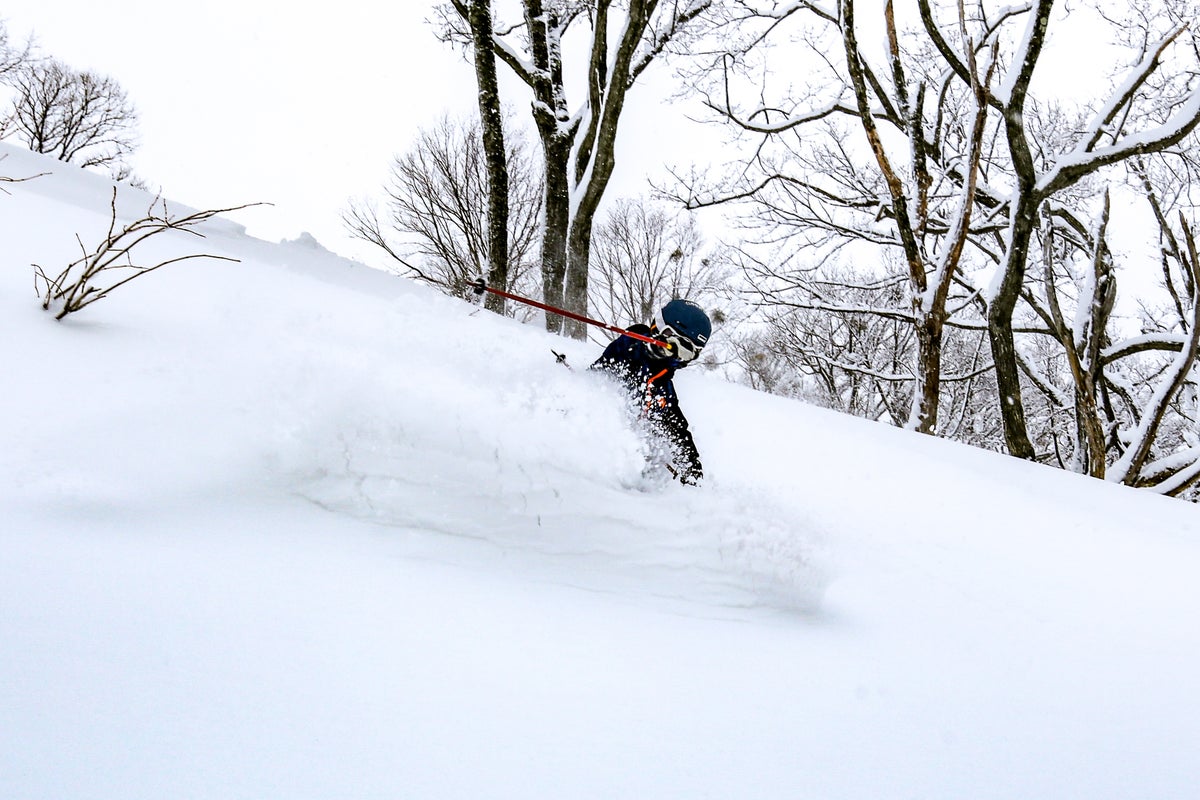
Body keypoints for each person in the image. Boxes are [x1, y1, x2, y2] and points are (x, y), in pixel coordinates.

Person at [590, 298, 712, 485]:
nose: (681, 358)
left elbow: (677, 428)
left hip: (622, 456)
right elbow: (626, 348)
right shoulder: (632, 344)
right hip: (591, 427)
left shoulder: (663, 385)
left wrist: (691, 466)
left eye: (690, 354)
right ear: (664, 331)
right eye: (682, 347)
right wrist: (646, 348)